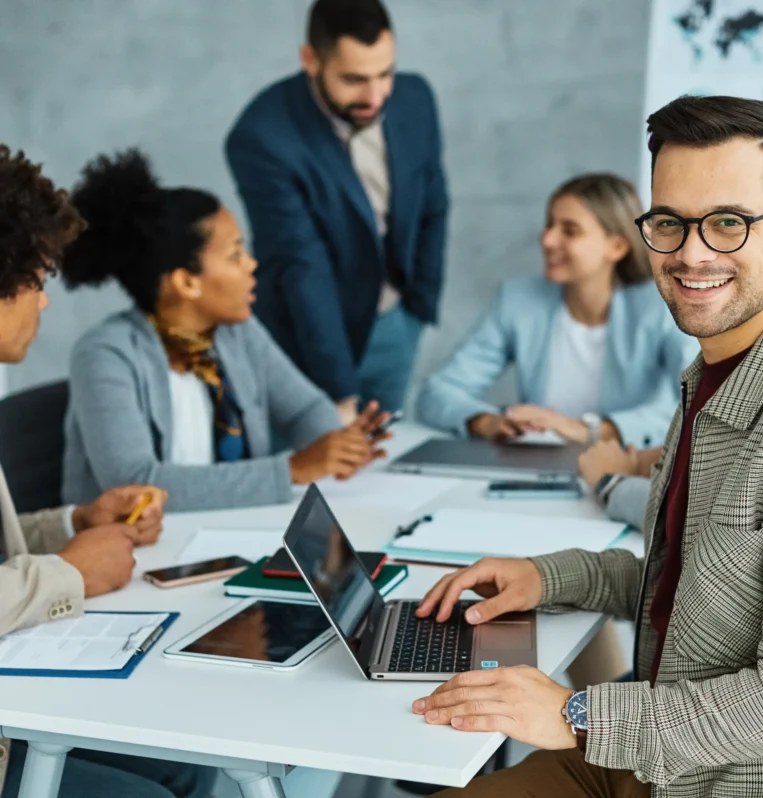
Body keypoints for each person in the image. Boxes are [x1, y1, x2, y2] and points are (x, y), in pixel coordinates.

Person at [408, 96, 763, 797]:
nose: (692, 252)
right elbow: (690, 584)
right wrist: (548, 577)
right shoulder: (714, 379)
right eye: (670, 223)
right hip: (658, 763)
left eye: (728, 223)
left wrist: (578, 711)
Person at [0, 145, 214, 798]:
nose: (44, 305)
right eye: (36, 281)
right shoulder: (112, 351)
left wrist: (76, 522)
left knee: (192, 759)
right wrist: (71, 571)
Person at [60, 150, 390, 513]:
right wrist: (291, 471)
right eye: (234, 256)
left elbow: (305, 408)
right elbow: (134, 482)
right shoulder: (105, 354)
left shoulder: (238, 332)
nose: (252, 265)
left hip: (236, 533)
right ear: (187, 282)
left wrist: (336, 447)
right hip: (138, 552)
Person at [580, 161, 763, 529]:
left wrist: (612, 484)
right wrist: (653, 462)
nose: (694, 254)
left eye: (729, 224)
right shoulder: (755, 348)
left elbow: (707, 523)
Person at [225, 0, 448, 418]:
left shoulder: (416, 98)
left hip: (396, 323)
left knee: (387, 461)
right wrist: (339, 393)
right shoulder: (262, 136)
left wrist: (419, 306)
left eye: (386, 74)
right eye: (354, 79)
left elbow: (433, 201)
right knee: (315, 476)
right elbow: (301, 262)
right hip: (306, 339)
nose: (376, 95)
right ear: (310, 59)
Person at [416, 173, 697, 448]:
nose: (547, 240)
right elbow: (439, 392)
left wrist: (585, 430)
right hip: (535, 468)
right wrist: (486, 422)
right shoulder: (518, 302)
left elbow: (697, 403)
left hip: (625, 470)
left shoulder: (660, 307)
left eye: (569, 230)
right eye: (549, 225)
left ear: (617, 246)